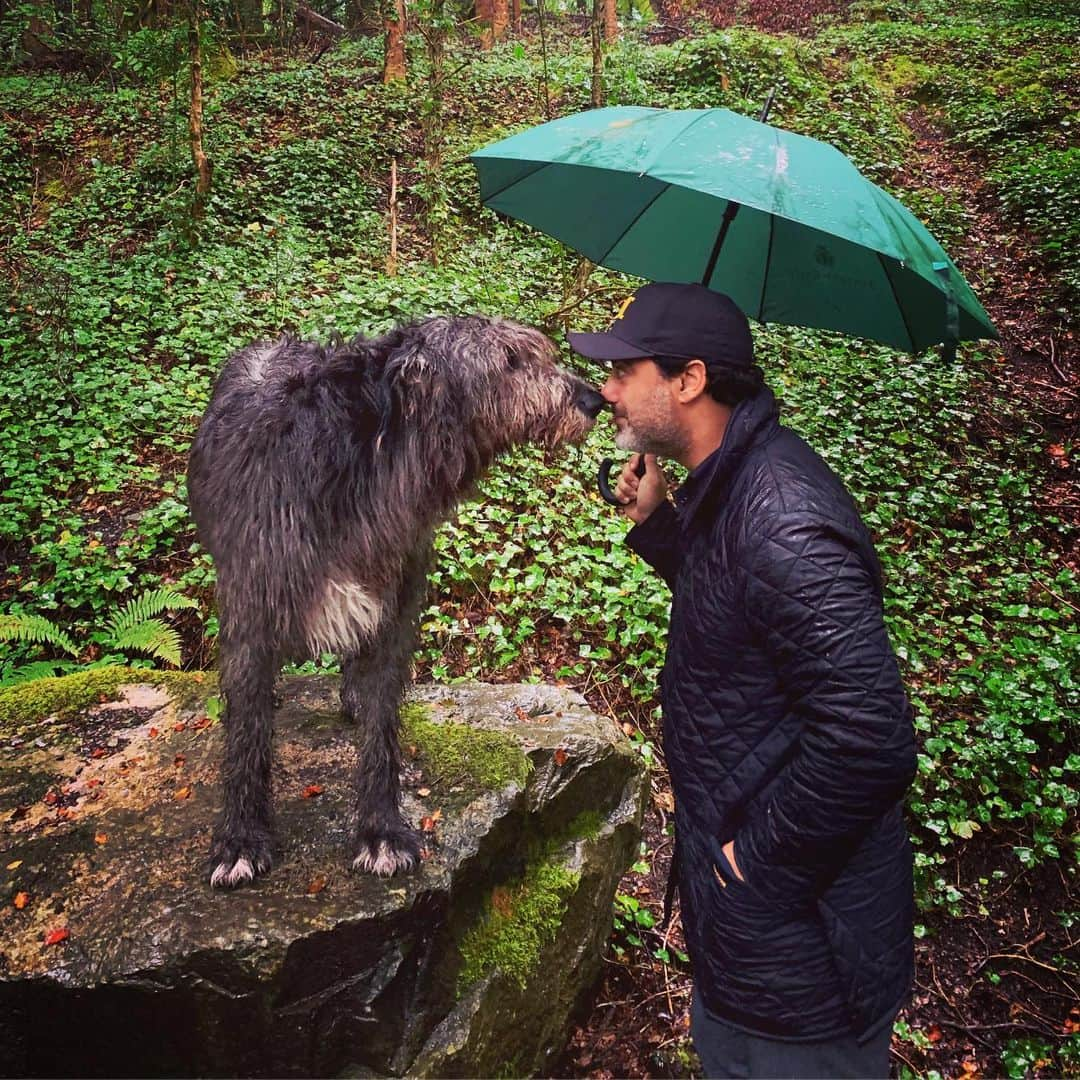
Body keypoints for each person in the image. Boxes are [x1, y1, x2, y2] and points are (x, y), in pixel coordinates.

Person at [569, 282, 917, 1079]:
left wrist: (753, 864)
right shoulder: (733, 480)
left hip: (803, 964)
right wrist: (659, 524)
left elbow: (869, 740)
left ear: (688, 380)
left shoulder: (783, 515)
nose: (607, 390)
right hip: (748, 939)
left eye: (625, 369)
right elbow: (735, 606)